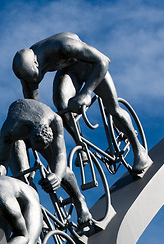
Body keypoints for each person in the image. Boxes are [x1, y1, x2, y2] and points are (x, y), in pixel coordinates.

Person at [13, 32, 152, 175]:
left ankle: (138, 150)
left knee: (113, 108)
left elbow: (103, 61)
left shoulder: (63, 46)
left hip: (92, 66)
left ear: (36, 61)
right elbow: (36, 108)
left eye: (36, 74)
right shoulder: (26, 74)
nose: (35, 79)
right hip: (69, 71)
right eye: (31, 79)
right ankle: (81, 145)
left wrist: (87, 93)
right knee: (62, 104)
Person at [0, 98, 92, 225]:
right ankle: (37, 215)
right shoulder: (10, 130)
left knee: (56, 165)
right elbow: (2, 161)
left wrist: (56, 176)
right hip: (18, 138)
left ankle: (79, 200)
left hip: (38, 126)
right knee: (23, 180)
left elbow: (60, 155)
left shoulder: (55, 120)